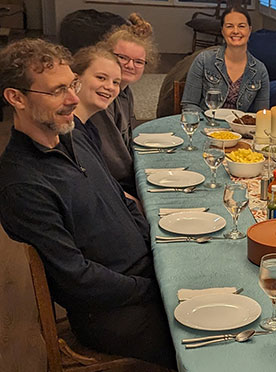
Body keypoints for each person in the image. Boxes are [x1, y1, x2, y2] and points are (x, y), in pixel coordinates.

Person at [0, 38, 175, 368]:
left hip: (144, 275)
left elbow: (121, 201)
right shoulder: (22, 184)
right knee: (210, 343)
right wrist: (152, 286)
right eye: (56, 91)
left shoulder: (73, 135)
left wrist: (157, 257)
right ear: (16, 98)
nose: (71, 99)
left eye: (73, 85)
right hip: (112, 312)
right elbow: (76, 280)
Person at [91, 13, 159, 198]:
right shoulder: (103, 99)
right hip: (107, 185)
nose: (130, 65)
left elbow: (130, 135)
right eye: (123, 58)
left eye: (138, 62)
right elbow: (116, 163)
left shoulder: (125, 91)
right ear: (107, 55)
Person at [182, 6, 270, 113]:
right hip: (206, 125)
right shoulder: (204, 60)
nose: (236, 31)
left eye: (241, 26)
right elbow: (189, 105)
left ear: (249, 30)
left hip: (239, 128)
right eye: (229, 26)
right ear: (222, 31)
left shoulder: (260, 70)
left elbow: (262, 114)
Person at [71, 45, 122, 147]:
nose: (110, 87)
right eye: (101, 78)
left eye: (116, 82)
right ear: (75, 79)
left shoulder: (90, 129)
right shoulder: (69, 134)